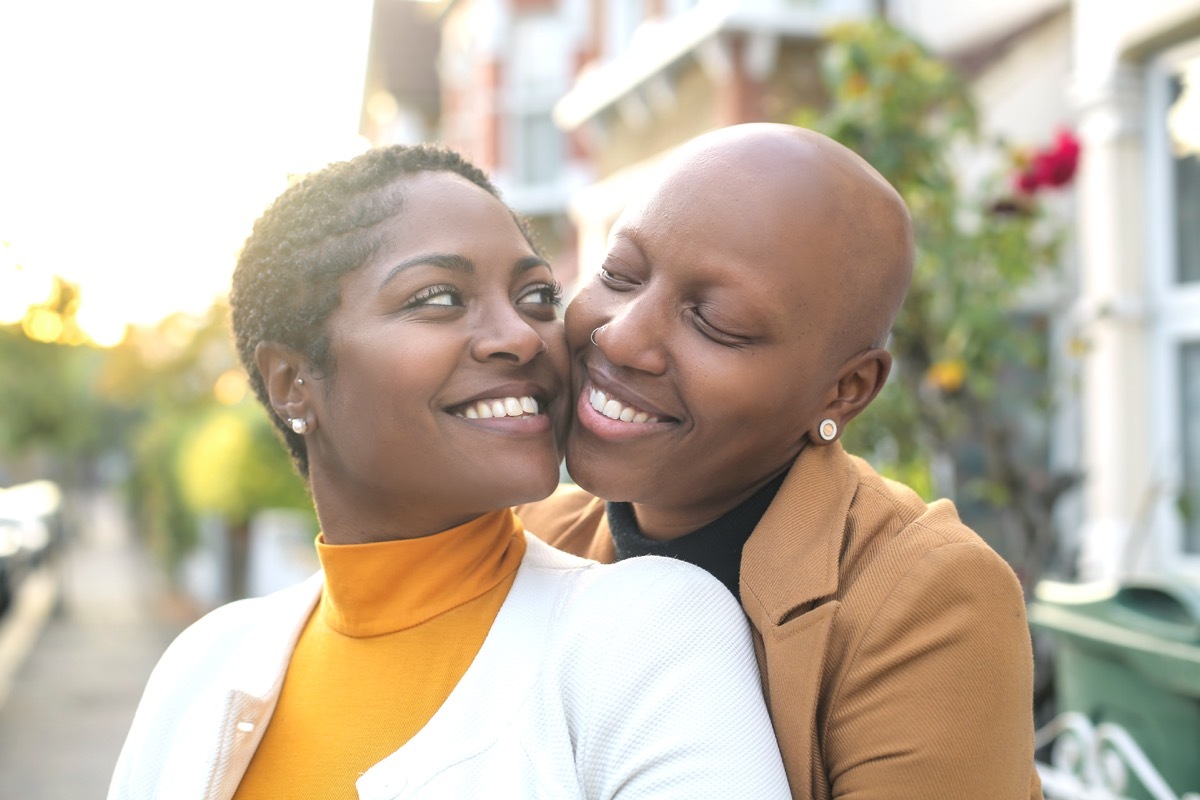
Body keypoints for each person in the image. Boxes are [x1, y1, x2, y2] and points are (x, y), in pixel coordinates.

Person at [107, 144, 790, 799]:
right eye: (438, 299)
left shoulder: (645, 635)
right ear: (292, 382)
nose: (523, 336)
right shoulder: (201, 669)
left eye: (536, 297)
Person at [516, 123, 1044, 800]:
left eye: (718, 322)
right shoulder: (534, 539)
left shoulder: (926, 600)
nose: (620, 337)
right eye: (619, 275)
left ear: (844, 390)